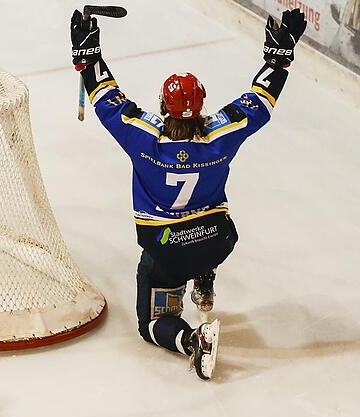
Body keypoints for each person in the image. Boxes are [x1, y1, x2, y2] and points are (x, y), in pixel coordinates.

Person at [70, 9, 307, 379]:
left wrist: (89, 57)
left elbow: (106, 97)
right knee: (210, 227)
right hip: (216, 240)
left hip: (166, 249)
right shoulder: (220, 135)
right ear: (201, 105)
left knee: (151, 323)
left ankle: (193, 341)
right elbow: (260, 100)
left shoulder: (143, 136)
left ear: (164, 106)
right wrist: (278, 59)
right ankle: (205, 273)